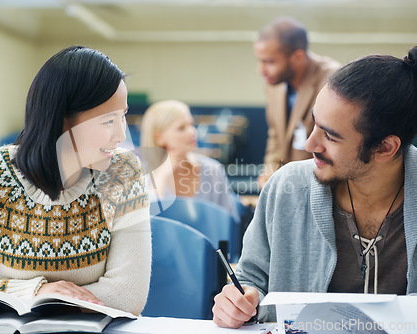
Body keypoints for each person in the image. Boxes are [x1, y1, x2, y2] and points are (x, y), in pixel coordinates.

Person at [0, 46, 151, 316]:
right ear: (62, 120)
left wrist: (14, 301)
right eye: (108, 121)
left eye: (123, 116)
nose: (121, 135)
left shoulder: (123, 172)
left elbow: (127, 295)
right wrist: (32, 292)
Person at [213, 46, 417, 328]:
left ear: (385, 147)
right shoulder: (286, 187)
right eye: (314, 123)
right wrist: (241, 301)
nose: (309, 144)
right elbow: (251, 280)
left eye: (330, 137)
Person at [255, 16, 341, 190]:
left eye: (269, 62)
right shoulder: (274, 83)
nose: (261, 70)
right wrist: (269, 175)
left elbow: (335, 147)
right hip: (289, 186)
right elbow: (277, 136)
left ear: (298, 57)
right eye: (260, 61)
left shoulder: (333, 81)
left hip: (322, 187)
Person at [140, 99, 239, 222]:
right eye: (181, 128)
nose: (192, 132)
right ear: (159, 137)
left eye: (192, 125)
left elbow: (230, 222)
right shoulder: (141, 174)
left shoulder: (212, 169)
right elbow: (148, 223)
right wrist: (162, 175)